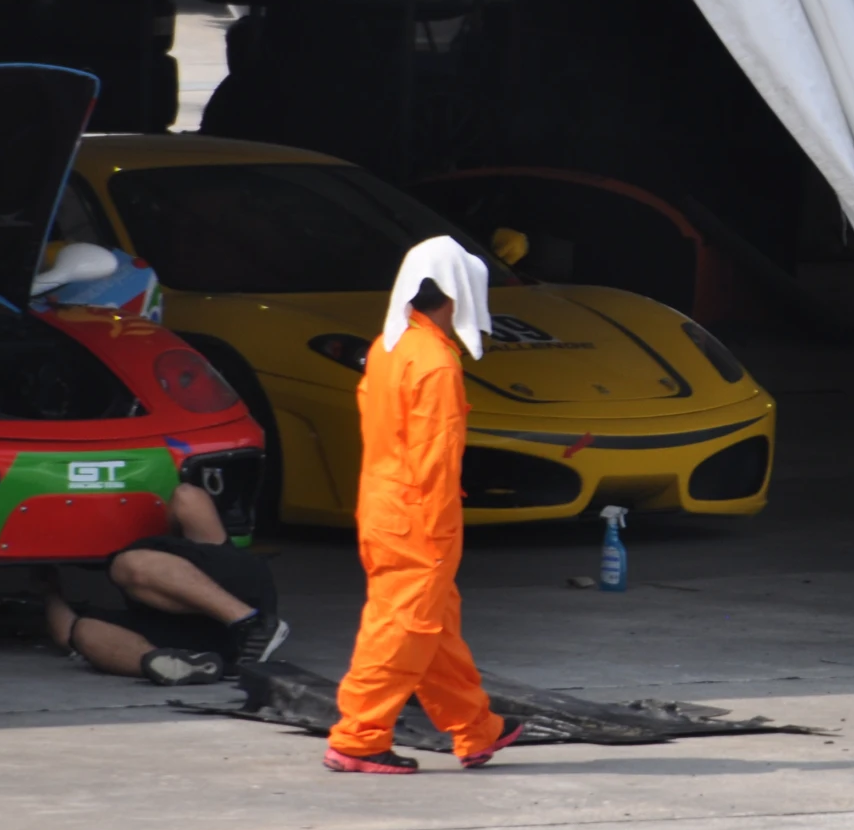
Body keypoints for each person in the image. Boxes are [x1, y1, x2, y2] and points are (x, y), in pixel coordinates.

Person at [325, 237, 525, 774]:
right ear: (457, 294)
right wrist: (439, 535)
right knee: (406, 625)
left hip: (383, 503)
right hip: (419, 512)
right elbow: (436, 455)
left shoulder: (390, 346)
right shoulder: (436, 362)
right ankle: (358, 737)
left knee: (433, 622)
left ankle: (476, 727)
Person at [42, 483, 288, 684]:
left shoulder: (177, 556)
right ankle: (174, 665)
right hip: (212, 648)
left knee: (128, 566)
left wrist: (47, 587)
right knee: (84, 631)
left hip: (233, 609)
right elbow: (187, 495)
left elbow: (187, 497)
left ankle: (251, 623)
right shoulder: (197, 553)